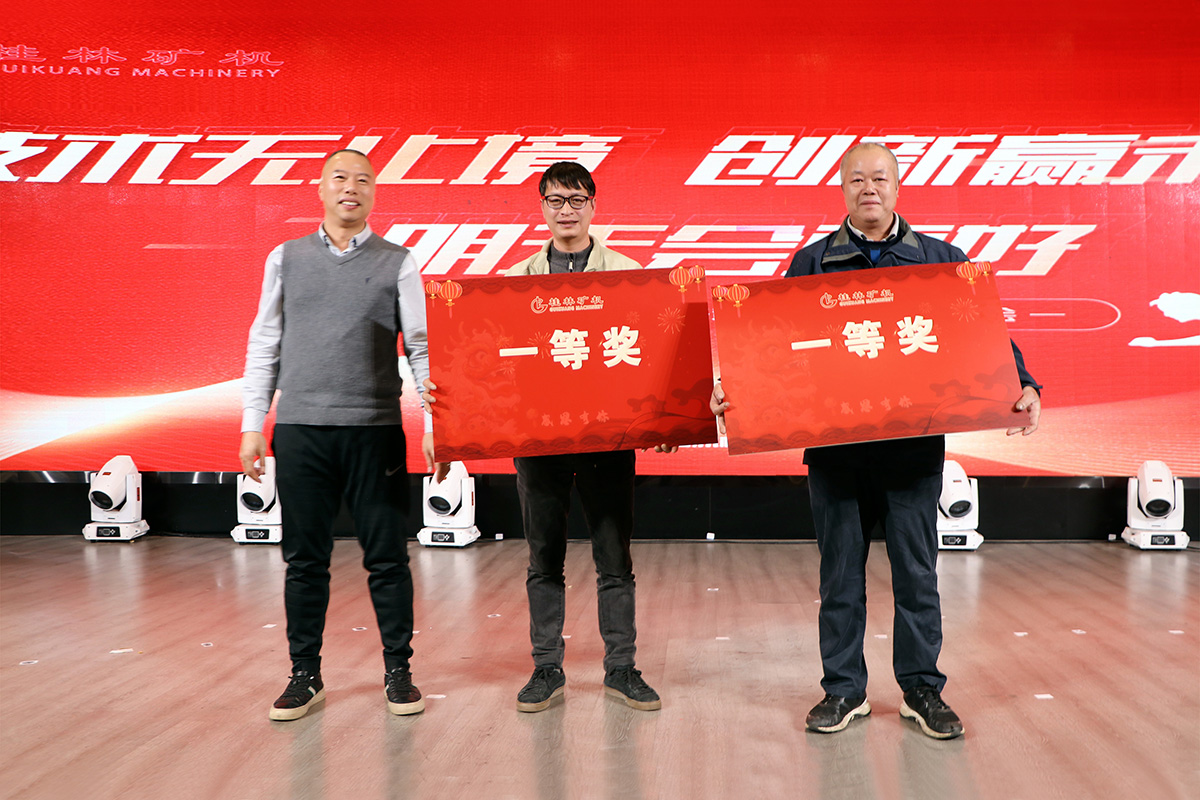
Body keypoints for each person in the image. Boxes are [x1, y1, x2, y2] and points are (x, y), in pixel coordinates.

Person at [711, 143, 1042, 739]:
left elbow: (984, 331)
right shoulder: (811, 264)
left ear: (897, 185)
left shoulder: (942, 261)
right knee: (840, 577)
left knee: (917, 573)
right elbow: (771, 349)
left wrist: (1022, 382)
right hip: (835, 453)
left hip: (912, 452)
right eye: (857, 179)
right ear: (842, 188)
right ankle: (844, 690)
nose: (870, 188)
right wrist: (734, 391)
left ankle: (921, 688)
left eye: (880, 178)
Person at [425, 162, 668, 713]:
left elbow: (652, 360)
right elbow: (486, 366)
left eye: (577, 199)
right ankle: (546, 668)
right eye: (556, 200)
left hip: (608, 442)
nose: (566, 210)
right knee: (543, 559)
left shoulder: (629, 276)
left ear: (593, 206)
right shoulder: (514, 282)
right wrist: (450, 419)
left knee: (614, 559)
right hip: (539, 445)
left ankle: (621, 668)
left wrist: (666, 420)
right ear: (542, 207)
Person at [240, 149, 441, 721]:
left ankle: (398, 672)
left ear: (374, 192)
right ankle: (305, 675)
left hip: (374, 431)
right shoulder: (285, 257)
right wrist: (252, 424)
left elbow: (421, 348)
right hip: (300, 431)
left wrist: (436, 424)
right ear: (321, 189)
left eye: (363, 180)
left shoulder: (399, 261)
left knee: (388, 559)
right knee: (305, 560)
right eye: (340, 178)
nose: (351, 187)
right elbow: (264, 342)